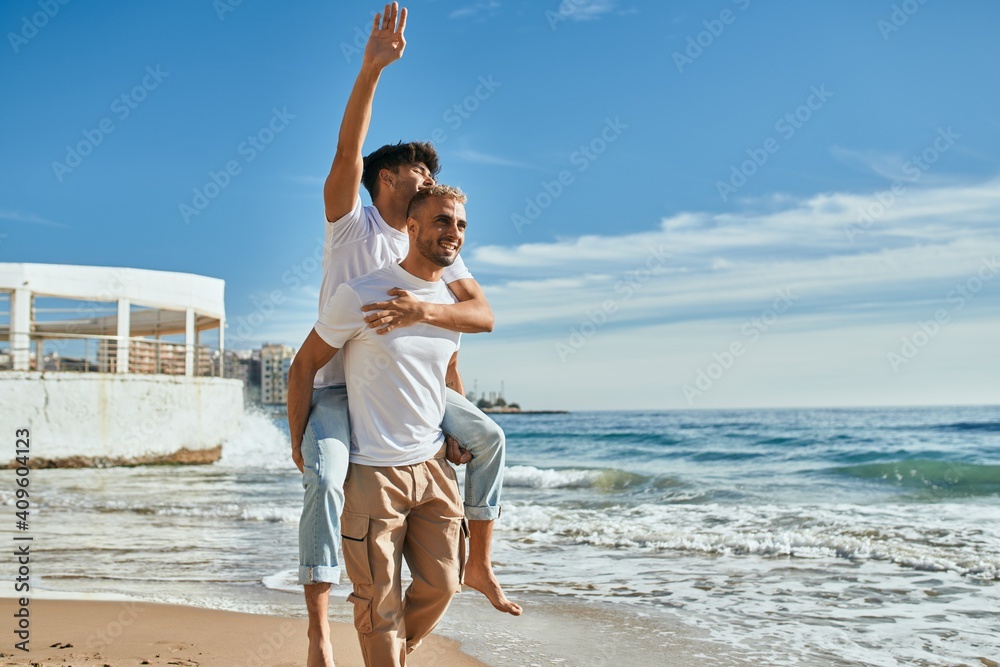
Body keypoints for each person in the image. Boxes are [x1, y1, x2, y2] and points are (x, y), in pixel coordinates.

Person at [293, 3, 520, 665]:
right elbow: (346, 151)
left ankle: (473, 566)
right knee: (326, 477)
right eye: (420, 183)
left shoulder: (433, 249)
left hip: (411, 391)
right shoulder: (353, 226)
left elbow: (455, 336)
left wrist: (454, 407)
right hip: (339, 385)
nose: (433, 198)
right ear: (389, 182)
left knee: (488, 435)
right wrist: (372, 69)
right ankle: (318, 626)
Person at [289, 185, 474, 666]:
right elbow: (304, 364)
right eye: (440, 221)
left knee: (445, 583)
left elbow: (449, 373)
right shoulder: (362, 293)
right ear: (410, 228)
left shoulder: (451, 305)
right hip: (374, 476)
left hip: (434, 470)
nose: (452, 232)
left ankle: (387, 649)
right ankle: (382, 648)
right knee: (379, 605)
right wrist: (299, 441)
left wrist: (459, 429)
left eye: (459, 224)